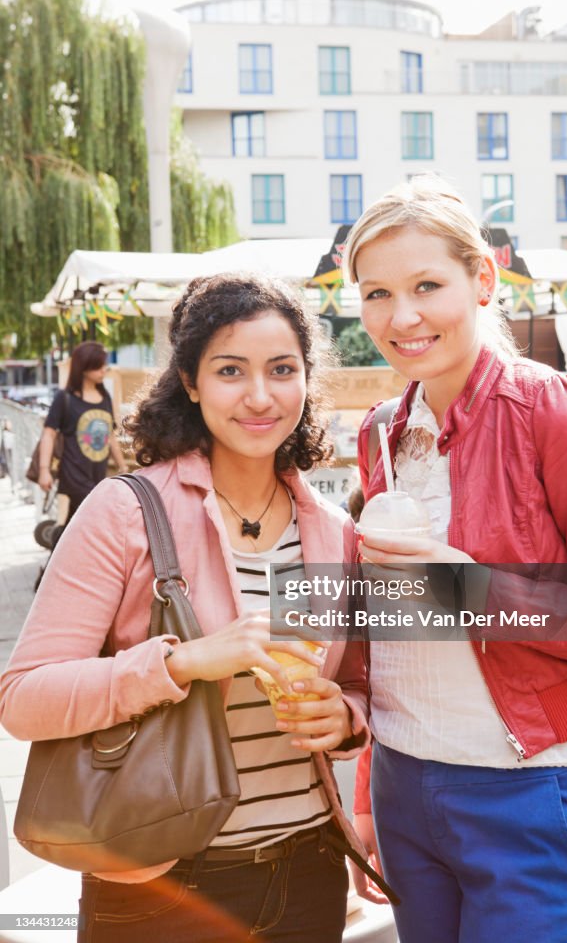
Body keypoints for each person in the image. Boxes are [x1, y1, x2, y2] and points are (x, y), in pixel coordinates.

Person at [342, 175, 567, 943]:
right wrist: (366, 790)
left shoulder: (551, 412)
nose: (403, 317)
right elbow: (389, 632)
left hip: (535, 792)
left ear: (484, 278)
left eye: (428, 284)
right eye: (377, 293)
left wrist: (466, 586)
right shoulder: (380, 434)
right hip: (404, 783)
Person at [0, 274, 370, 943]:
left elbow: (355, 685)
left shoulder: (329, 529)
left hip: (309, 870)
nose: (260, 396)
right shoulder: (127, 512)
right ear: (192, 382)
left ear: (305, 381)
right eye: (231, 371)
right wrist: (184, 662)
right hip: (162, 883)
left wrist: (344, 716)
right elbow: (24, 698)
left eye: (282, 369)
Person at [37, 340, 127, 523]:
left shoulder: (104, 397)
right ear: (84, 367)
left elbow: (110, 435)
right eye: (98, 366)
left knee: (77, 530)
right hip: (73, 477)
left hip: (98, 476)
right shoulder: (65, 398)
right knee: (84, 526)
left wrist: (123, 466)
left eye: (104, 365)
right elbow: (49, 434)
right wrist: (44, 470)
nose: (104, 370)